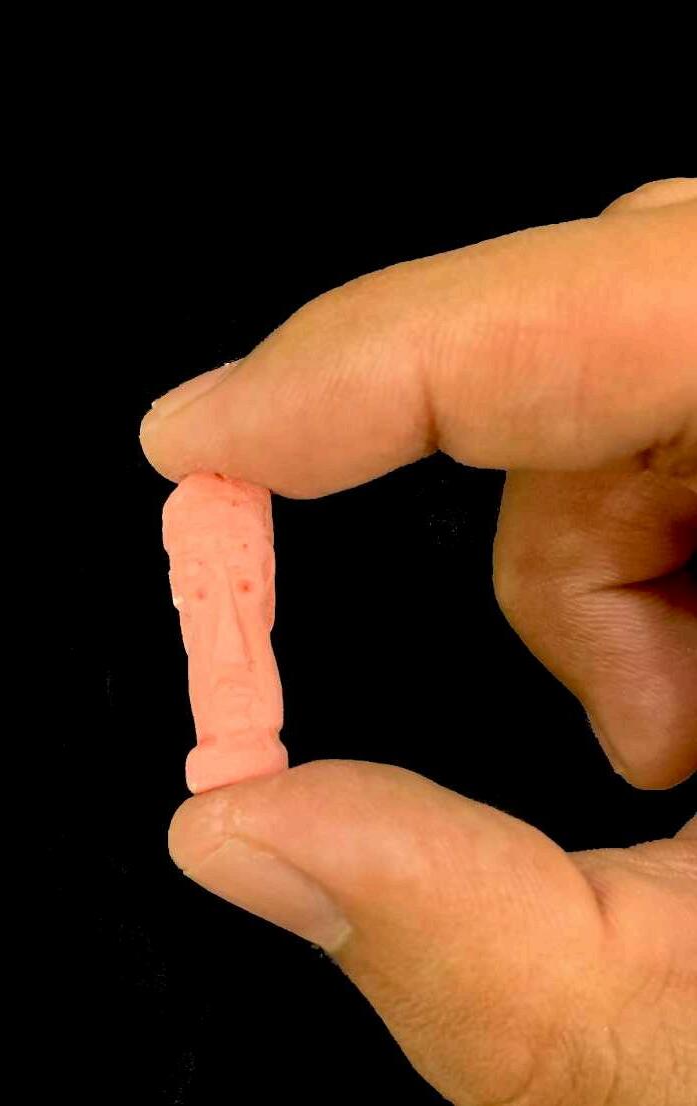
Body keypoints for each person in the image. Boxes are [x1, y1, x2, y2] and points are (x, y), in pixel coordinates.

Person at [139, 178, 697, 1105]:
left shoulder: (230, 555)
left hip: (230, 628)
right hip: (222, 636)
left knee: (233, 644)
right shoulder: (204, 550)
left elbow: (236, 593)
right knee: (227, 650)